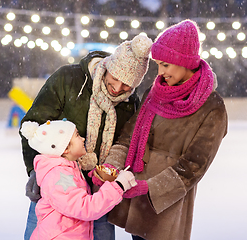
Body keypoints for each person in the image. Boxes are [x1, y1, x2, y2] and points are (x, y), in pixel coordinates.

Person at [90, 19, 228, 240]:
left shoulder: (212, 107)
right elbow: (128, 138)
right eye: (158, 65)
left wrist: (150, 188)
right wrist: (110, 166)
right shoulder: (155, 94)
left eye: (165, 65)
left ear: (183, 61)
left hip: (165, 204)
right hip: (136, 199)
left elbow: (194, 165)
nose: (160, 72)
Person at [20, 34, 153, 240]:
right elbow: (35, 124)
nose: (118, 88)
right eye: (115, 78)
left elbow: (124, 143)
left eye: (127, 85)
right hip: (58, 186)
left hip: (99, 195)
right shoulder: (68, 79)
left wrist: (111, 177)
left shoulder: (129, 103)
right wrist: (34, 171)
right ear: (108, 66)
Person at [20, 119, 137, 240]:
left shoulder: (67, 169)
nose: (82, 139)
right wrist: (119, 186)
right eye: (77, 135)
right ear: (65, 148)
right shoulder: (59, 175)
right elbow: (86, 208)